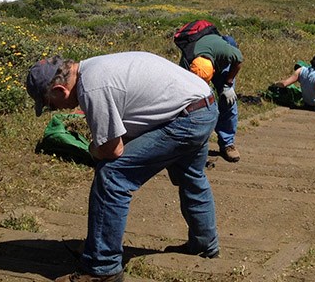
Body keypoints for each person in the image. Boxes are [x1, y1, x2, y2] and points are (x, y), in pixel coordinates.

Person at [25, 52, 219, 282]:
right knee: (190, 176)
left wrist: (92, 149)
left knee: (112, 176)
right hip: (203, 106)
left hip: (185, 119)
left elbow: (111, 151)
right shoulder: (94, 67)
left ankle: (102, 267)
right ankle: (204, 244)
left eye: (50, 105)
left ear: (59, 91)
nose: (55, 110)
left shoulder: (92, 88)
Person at [181, 33, 244, 163]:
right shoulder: (186, 64)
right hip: (199, 64)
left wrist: (228, 84)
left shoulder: (226, 52)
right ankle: (191, 144)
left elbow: (239, 60)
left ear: (213, 72)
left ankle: (227, 144)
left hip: (222, 59)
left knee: (228, 102)